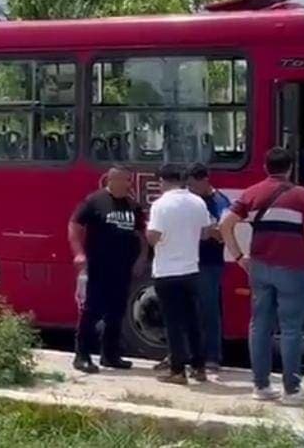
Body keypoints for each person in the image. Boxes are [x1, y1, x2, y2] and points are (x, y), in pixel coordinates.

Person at [220, 147, 304, 406]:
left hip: (260, 268)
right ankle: (291, 390)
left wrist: (238, 256)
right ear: (289, 168)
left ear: (266, 167)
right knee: (290, 329)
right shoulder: (303, 196)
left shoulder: (252, 193)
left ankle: (261, 386)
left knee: (259, 325)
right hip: (292, 269)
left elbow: (225, 224)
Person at [70, 166, 147, 374]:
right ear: (111, 180)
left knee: (116, 312)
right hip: (98, 266)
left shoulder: (132, 205)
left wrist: (141, 257)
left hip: (122, 267)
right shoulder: (95, 201)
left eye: (130, 180)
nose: (129, 184)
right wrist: (79, 253)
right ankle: (82, 356)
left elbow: (141, 233)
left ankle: (110, 355)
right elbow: (75, 225)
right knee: (91, 311)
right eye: (125, 180)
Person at [147, 163, 213, 384]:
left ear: (163, 181)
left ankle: (177, 371)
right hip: (191, 270)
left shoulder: (160, 205)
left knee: (173, 323)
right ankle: (199, 367)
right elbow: (205, 234)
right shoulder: (198, 201)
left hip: (167, 272)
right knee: (194, 321)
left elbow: (154, 236)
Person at [187, 162, 231, 372]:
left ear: (205, 180)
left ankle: (213, 355)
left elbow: (222, 231)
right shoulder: (190, 201)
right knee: (190, 310)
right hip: (188, 260)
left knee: (209, 309)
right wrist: (206, 231)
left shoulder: (218, 201)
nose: (191, 190)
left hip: (209, 262)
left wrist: (206, 231)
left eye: (194, 185)